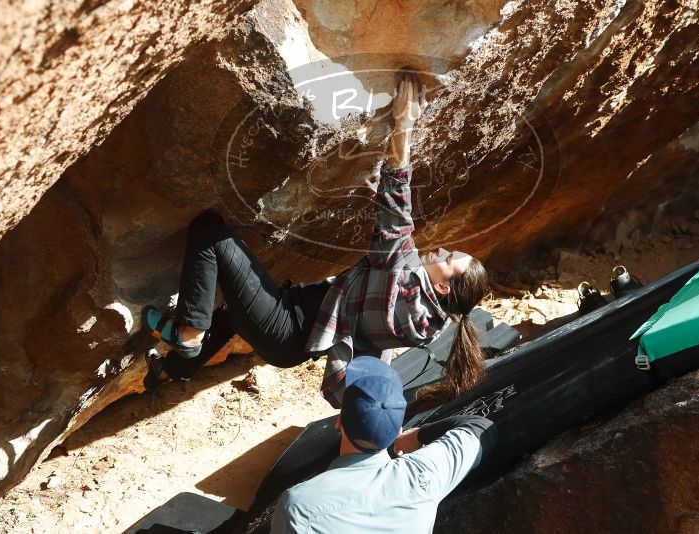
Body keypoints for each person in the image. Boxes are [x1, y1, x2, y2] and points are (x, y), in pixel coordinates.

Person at [141, 74, 490, 405]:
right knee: (235, 311)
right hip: (296, 343)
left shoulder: (403, 275)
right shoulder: (429, 323)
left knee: (210, 233)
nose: (441, 250)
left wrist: (405, 122)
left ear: (443, 287)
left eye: (447, 259)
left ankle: (189, 331)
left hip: (285, 325)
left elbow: (397, 198)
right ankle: (171, 371)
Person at [270, 356, 498, 533]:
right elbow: (480, 427)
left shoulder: (299, 506)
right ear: (398, 431)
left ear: (339, 422)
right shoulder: (423, 474)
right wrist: (417, 437)